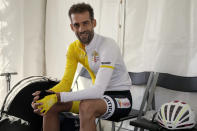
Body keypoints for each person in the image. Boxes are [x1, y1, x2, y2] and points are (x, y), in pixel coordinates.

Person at [31, 3, 132, 131]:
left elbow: (98, 90)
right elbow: (66, 84)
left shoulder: (108, 45)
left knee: (86, 106)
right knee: (51, 106)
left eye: (85, 23)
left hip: (120, 98)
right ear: (72, 27)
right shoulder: (73, 49)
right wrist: (47, 95)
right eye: (76, 25)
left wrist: (57, 96)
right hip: (96, 98)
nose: (81, 29)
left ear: (93, 23)